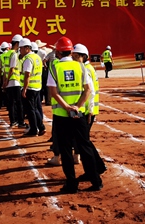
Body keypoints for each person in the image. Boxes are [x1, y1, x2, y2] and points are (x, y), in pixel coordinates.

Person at [48, 36, 105, 193]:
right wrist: (77, 107)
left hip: (61, 115)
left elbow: (53, 92)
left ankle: (71, 184)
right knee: (85, 146)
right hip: (78, 115)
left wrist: (67, 107)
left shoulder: (54, 67)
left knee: (66, 149)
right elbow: (88, 90)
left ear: (58, 52)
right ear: (71, 51)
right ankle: (96, 181)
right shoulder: (81, 67)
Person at [20, 38, 44, 137]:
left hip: (30, 88)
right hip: (37, 86)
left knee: (30, 110)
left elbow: (27, 75)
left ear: (27, 48)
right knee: (35, 108)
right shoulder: (37, 57)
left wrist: (24, 89)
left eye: (21, 48)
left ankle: (34, 129)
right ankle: (41, 127)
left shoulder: (28, 59)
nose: (20, 50)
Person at [4, 35, 25, 128]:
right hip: (15, 81)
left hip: (9, 82)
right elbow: (12, 69)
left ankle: (13, 121)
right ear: (17, 44)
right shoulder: (14, 54)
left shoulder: (7, 54)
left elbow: (5, 69)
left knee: (11, 103)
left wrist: (5, 81)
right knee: (19, 103)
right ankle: (20, 122)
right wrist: (7, 80)